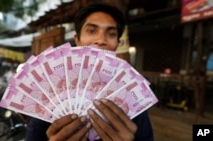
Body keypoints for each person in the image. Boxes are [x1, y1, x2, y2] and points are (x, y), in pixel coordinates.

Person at [25, 3, 154, 141]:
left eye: (111, 34)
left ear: (117, 44)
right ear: (77, 40)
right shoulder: (51, 93)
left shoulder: (132, 97)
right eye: (91, 31)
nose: (101, 40)